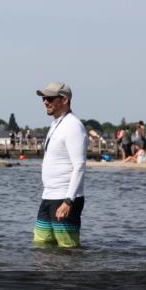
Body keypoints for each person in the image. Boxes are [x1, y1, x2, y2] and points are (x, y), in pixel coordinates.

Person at [34, 82, 88, 248]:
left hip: (65, 198)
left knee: (68, 250)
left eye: (49, 98)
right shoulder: (55, 124)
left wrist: (68, 202)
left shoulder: (73, 126)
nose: (45, 101)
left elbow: (79, 166)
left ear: (64, 100)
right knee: (41, 246)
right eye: (44, 98)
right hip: (48, 196)